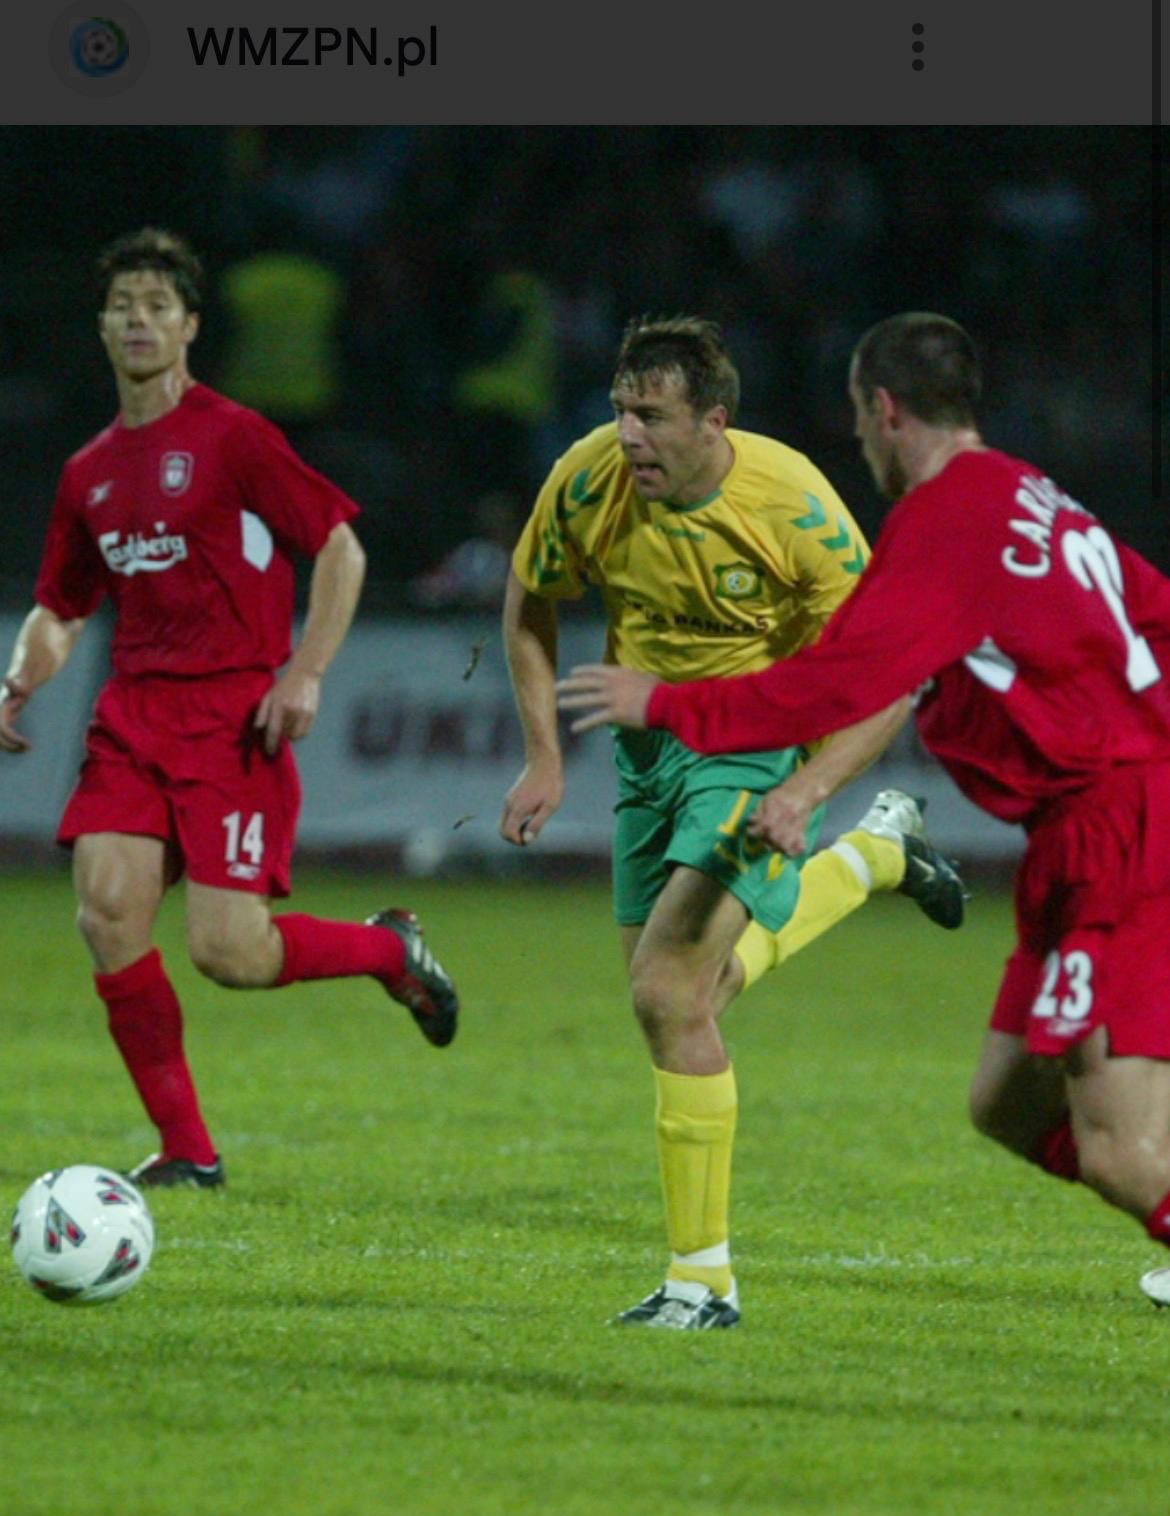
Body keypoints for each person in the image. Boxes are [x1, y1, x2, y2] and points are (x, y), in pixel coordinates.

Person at [558, 310, 1170, 1309]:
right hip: (1084, 832)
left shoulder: (946, 519)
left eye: (856, 413)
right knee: (1006, 1107)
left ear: (884, 409)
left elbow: (832, 682)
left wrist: (665, 703)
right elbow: (1154, 611)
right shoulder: (1032, 495)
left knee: (1114, 1150)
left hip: (1122, 828)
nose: (856, 433)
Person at [501, 314, 965, 1328]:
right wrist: (544, 756)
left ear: (713, 421)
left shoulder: (793, 504)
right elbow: (529, 601)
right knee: (682, 997)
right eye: (621, 410)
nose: (629, 435)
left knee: (667, 988)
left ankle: (701, 1282)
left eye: (652, 416)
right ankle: (876, 856)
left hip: (757, 742)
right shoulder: (587, 478)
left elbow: (892, 669)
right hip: (646, 750)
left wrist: (806, 788)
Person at [0, 227, 458, 1190]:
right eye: (122, 305)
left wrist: (306, 670)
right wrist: (21, 678)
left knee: (230, 952)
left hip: (231, 719)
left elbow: (339, 546)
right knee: (106, 911)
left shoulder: (234, 435)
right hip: (132, 717)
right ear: (101, 326)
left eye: (157, 306)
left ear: (190, 326)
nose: (138, 320)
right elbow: (63, 606)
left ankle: (388, 951)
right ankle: (187, 1150)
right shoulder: (88, 471)